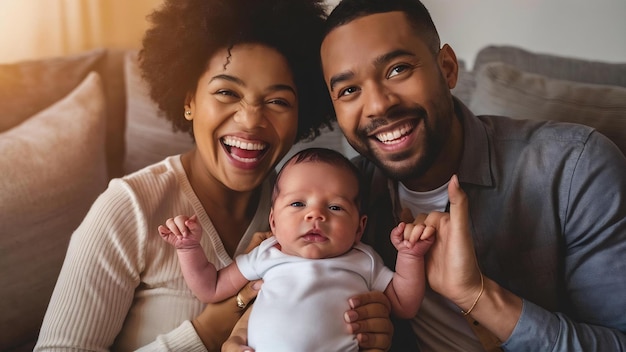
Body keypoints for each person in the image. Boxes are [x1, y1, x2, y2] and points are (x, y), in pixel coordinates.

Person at [34, 1, 394, 351]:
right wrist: (207, 332)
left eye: (278, 101)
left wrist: (373, 328)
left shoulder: (312, 205)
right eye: (226, 92)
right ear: (188, 100)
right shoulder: (128, 209)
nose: (251, 120)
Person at [319, 0, 626, 351]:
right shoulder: (343, 201)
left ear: (447, 68)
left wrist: (477, 293)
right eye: (348, 90)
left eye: (397, 69)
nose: (377, 105)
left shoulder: (574, 168)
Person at [159, 147, 434, 351]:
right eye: (298, 204)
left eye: (335, 207)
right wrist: (189, 248)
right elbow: (210, 287)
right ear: (273, 222)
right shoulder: (266, 253)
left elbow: (405, 304)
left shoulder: (363, 259)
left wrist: (410, 255)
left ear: (359, 228)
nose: (315, 215)